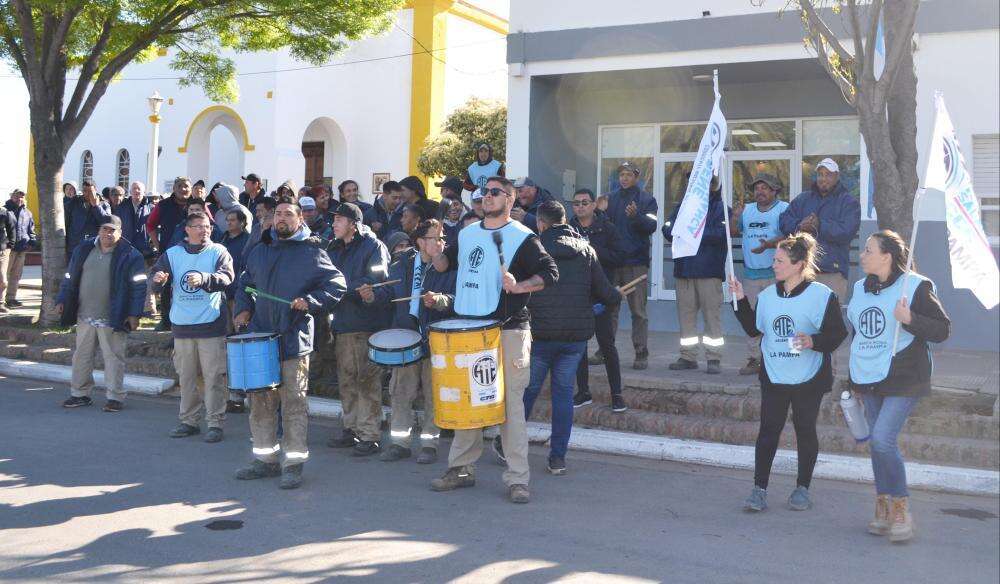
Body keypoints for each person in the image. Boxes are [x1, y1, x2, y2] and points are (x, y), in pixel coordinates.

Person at [429, 176, 558, 504]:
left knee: (511, 408)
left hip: (509, 330)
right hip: (470, 332)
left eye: (495, 192)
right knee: (469, 402)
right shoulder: (467, 232)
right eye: (484, 192)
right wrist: (435, 252)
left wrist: (519, 286)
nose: (486, 196)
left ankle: (518, 479)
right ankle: (460, 469)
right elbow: (447, 265)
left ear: (511, 201)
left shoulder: (522, 237)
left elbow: (550, 273)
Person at [729, 233, 847, 513]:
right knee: (768, 431)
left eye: (780, 260)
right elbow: (753, 329)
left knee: (805, 430)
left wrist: (813, 341)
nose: (774, 265)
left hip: (809, 377)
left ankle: (802, 488)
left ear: (798, 265)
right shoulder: (768, 295)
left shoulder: (821, 295)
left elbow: (837, 334)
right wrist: (741, 299)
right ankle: (759, 489)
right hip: (774, 375)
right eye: (774, 260)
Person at [234, 199, 346, 489]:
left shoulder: (312, 251)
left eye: (288, 214)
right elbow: (245, 284)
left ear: (299, 220)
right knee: (260, 403)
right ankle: (265, 460)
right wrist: (242, 309)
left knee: (293, 405)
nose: (281, 218)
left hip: (294, 340)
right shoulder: (260, 250)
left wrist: (310, 301)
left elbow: (337, 284)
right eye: (277, 214)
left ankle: (293, 464)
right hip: (261, 340)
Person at [847, 230, 950, 543]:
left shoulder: (916, 286)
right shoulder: (859, 288)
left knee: (881, 440)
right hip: (870, 376)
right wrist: (854, 381)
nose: (862, 255)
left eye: (868, 250)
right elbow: (859, 336)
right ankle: (883, 504)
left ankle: (901, 507)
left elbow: (942, 329)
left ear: (886, 256)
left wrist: (910, 319)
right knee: (878, 446)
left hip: (905, 376)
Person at [523, 201, 622, 475]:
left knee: (528, 391)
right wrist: (616, 296)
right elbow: (604, 291)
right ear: (565, 220)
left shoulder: (532, 249)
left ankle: (508, 446)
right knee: (563, 394)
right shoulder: (586, 250)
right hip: (574, 336)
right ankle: (557, 458)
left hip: (540, 334)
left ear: (541, 223)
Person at [372, 219, 456, 464]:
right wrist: (371, 295)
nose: (441, 243)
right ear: (421, 242)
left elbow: (456, 296)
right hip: (406, 337)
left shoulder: (449, 266)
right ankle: (400, 442)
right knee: (400, 392)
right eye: (435, 238)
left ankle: (429, 444)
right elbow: (388, 294)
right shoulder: (403, 265)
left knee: (433, 394)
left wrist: (440, 300)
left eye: (443, 238)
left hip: (435, 339)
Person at [150, 211, 235, 443]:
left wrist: (204, 279)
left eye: (207, 226)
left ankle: (215, 423)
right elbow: (155, 276)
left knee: (214, 377)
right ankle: (188, 421)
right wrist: (158, 279)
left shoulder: (219, 252)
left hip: (211, 327)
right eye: (198, 226)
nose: (204, 230)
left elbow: (227, 277)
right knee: (186, 378)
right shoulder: (172, 254)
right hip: (182, 327)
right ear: (187, 230)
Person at [56, 215, 146, 412]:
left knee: (113, 358)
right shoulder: (83, 249)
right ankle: (80, 394)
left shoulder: (131, 255)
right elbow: (70, 275)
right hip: (84, 315)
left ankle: (115, 397)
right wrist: (62, 298)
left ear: (120, 233)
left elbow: (139, 287)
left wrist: (134, 314)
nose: (108, 233)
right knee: (81, 356)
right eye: (105, 229)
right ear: (99, 230)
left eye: (113, 230)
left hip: (113, 317)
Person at [325, 203, 391, 456]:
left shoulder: (373, 247)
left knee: (367, 382)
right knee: (347, 380)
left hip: (367, 324)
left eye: (339, 219)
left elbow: (377, 280)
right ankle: (351, 428)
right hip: (342, 324)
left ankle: (369, 434)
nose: (334, 224)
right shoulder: (333, 248)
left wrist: (341, 290)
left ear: (353, 223)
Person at [662, 176, 729, 374]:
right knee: (686, 317)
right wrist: (679, 230)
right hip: (684, 270)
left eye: (709, 182)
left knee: (712, 316)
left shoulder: (721, 208)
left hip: (709, 271)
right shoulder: (683, 206)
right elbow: (666, 228)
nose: (704, 186)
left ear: (714, 185)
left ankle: (713, 358)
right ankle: (688, 356)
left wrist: (692, 231)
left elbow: (720, 234)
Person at [569, 188, 626, 411]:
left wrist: (594, 250)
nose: (580, 206)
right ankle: (583, 392)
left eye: (585, 202)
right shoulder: (568, 229)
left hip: (602, 294)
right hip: (577, 295)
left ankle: (617, 394)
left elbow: (620, 257)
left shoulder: (608, 228)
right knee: (579, 347)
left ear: (594, 205)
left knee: (607, 346)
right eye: (576, 203)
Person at [779, 158, 860, 303]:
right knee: (802, 320)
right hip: (802, 273)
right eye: (820, 174)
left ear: (837, 176)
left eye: (828, 174)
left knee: (830, 320)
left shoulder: (848, 202)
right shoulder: (803, 199)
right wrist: (799, 226)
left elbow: (847, 231)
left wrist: (820, 225)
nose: (823, 178)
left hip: (832, 273)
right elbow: (784, 221)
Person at [731, 173, 789, 376]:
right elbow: (732, 232)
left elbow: (791, 235)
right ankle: (754, 358)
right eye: (757, 188)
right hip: (751, 275)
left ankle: (776, 357)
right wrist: (736, 217)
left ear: (775, 190)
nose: (760, 191)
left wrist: (770, 245)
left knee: (775, 318)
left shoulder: (783, 209)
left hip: (776, 274)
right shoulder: (746, 210)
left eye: (765, 188)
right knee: (751, 320)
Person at [603, 162, 657, 369]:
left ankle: (641, 352)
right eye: (621, 175)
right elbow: (603, 226)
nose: (624, 178)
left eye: (628, 175)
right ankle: (605, 350)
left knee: (638, 311)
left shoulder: (647, 200)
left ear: (636, 177)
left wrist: (636, 217)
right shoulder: (610, 199)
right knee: (610, 311)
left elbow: (651, 226)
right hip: (613, 263)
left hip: (636, 264)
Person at [1, 190, 34, 311]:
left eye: (22, 196)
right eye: (16, 195)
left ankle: (11, 298)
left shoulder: (28, 212)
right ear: (11, 196)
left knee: (16, 275)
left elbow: (31, 228)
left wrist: (32, 241)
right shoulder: (5, 210)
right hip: (8, 248)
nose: (19, 198)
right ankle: (1, 300)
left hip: (22, 247)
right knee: (4, 275)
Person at [65, 179, 113, 257]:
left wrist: (96, 207)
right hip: (75, 246)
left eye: (90, 191)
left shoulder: (104, 204)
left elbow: (107, 223)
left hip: (94, 247)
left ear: (95, 190)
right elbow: (66, 222)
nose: (87, 194)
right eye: (84, 191)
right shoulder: (74, 202)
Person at [244, 196, 278, 261]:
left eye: (260, 211)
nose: (257, 214)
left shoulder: (280, 230)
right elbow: (246, 251)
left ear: (272, 211)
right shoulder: (256, 228)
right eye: (256, 211)